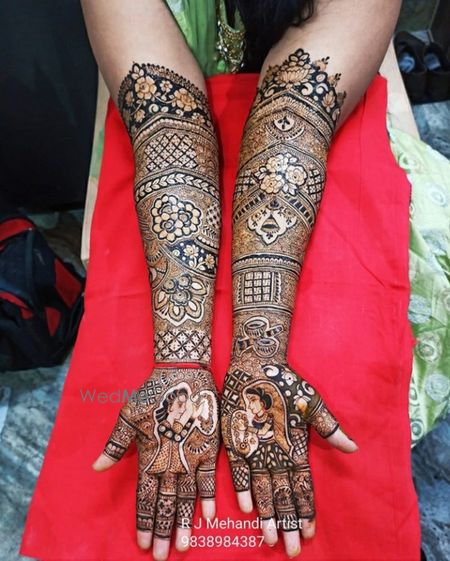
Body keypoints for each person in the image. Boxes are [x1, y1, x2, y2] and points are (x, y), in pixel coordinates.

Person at [80, 0, 402, 559]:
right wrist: (181, 361)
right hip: (156, 126)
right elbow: (165, 117)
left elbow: (295, 115)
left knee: (348, 367)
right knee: (119, 374)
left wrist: (259, 355)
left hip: (323, 105)